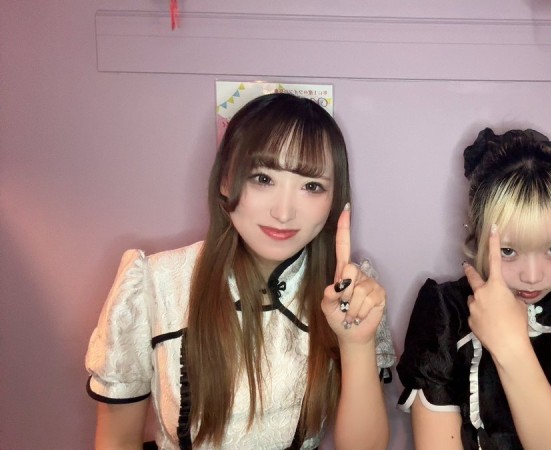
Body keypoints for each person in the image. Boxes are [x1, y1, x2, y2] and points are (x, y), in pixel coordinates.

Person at [85, 93, 395, 450]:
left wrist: (356, 343)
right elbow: (117, 440)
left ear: (334, 200)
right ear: (225, 181)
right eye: (262, 178)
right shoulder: (155, 284)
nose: (283, 212)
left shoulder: (350, 292)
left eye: (311, 187)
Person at [397, 128, 551, 449]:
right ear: (476, 235)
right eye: (508, 250)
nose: (532, 276)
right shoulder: (445, 315)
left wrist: (511, 348)